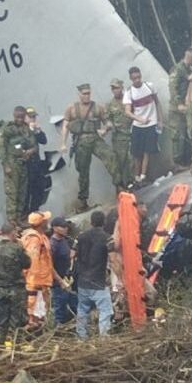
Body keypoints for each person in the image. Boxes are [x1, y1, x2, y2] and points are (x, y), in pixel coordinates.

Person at [62, 84, 113, 211]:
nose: (87, 96)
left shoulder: (97, 107)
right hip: (81, 141)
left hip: (95, 138)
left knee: (111, 157)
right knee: (83, 172)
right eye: (84, 93)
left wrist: (105, 129)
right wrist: (62, 143)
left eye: (88, 93)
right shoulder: (72, 108)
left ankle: (121, 186)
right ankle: (83, 201)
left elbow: (108, 122)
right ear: (79, 94)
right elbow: (65, 125)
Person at [0, 222, 31, 349]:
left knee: (2, 319)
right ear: (12, 232)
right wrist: (22, 247)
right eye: (16, 232)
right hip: (16, 288)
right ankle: (17, 345)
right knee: (17, 319)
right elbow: (27, 263)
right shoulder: (17, 248)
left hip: (1, 288)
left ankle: (1, 344)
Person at [74, 210, 113, 339]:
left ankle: (81, 336)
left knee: (82, 309)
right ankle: (104, 337)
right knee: (105, 310)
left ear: (91, 222)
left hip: (82, 281)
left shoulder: (80, 237)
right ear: (104, 222)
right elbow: (113, 258)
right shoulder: (107, 238)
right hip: (99, 281)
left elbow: (71, 254)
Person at [123, 66, 161, 185]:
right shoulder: (129, 92)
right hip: (138, 125)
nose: (137, 80)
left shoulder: (149, 86)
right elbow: (127, 112)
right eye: (134, 78)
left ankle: (143, 175)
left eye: (139, 77)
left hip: (151, 123)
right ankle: (136, 176)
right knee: (136, 153)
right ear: (131, 79)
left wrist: (160, 120)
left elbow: (157, 102)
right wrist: (139, 119)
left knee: (147, 151)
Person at [0, 106, 34, 222]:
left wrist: (30, 151)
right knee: (12, 193)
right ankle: (12, 221)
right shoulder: (7, 128)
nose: (20, 120)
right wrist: (5, 165)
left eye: (22, 117)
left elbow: (33, 144)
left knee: (22, 192)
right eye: (18, 117)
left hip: (23, 163)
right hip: (12, 164)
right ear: (14, 116)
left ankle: (19, 218)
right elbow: (1, 147)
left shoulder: (26, 128)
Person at [21, 211, 55, 331]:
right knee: (34, 313)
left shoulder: (41, 236)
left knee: (40, 312)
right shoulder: (34, 239)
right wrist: (35, 283)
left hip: (42, 281)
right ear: (41, 223)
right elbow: (32, 261)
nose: (48, 222)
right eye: (45, 220)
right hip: (35, 282)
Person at [167, 48, 192, 168]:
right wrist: (179, 103)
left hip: (188, 105)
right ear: (190, 57)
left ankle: (188, 160)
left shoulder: (190, 69)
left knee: (189, 133)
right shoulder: (177, 69)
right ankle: (177, 163)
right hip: (177, 108)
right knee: (177, 135)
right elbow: (173, 87)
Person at [106, 79, 136, 190]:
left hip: (131, 134)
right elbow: (107, 119)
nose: (115, 90)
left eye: (117, 88)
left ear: (122, 88)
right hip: (119, 138)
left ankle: (132, 182)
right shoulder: (110, 105)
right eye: (113, 88)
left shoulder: (129, 100)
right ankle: (122, 186)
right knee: (121, 161)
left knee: (132, 159)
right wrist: (109, 125)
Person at [21, 110, 51, 215]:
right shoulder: (20, 130)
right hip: (26, 164)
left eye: (34, 117)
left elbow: (43, 141)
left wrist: (38, 131)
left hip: (36, 162)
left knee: (40, 186)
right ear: (25, 118)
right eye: (30, 117)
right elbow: (20, 144)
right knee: (28, 189)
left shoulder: (34, 129)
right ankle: (25, 213)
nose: (33, 119)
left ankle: (35, 209)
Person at [49, 216, 77, 326]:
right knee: (60, 309)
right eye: (63, 227)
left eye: (66, 226)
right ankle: (58, 329)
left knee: (74, 305)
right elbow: (49, 266)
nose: (66, 229)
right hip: (58, 283)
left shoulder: (65, 240)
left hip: (68, 279)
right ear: (55, 228)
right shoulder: (52, 244)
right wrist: (60, 281)